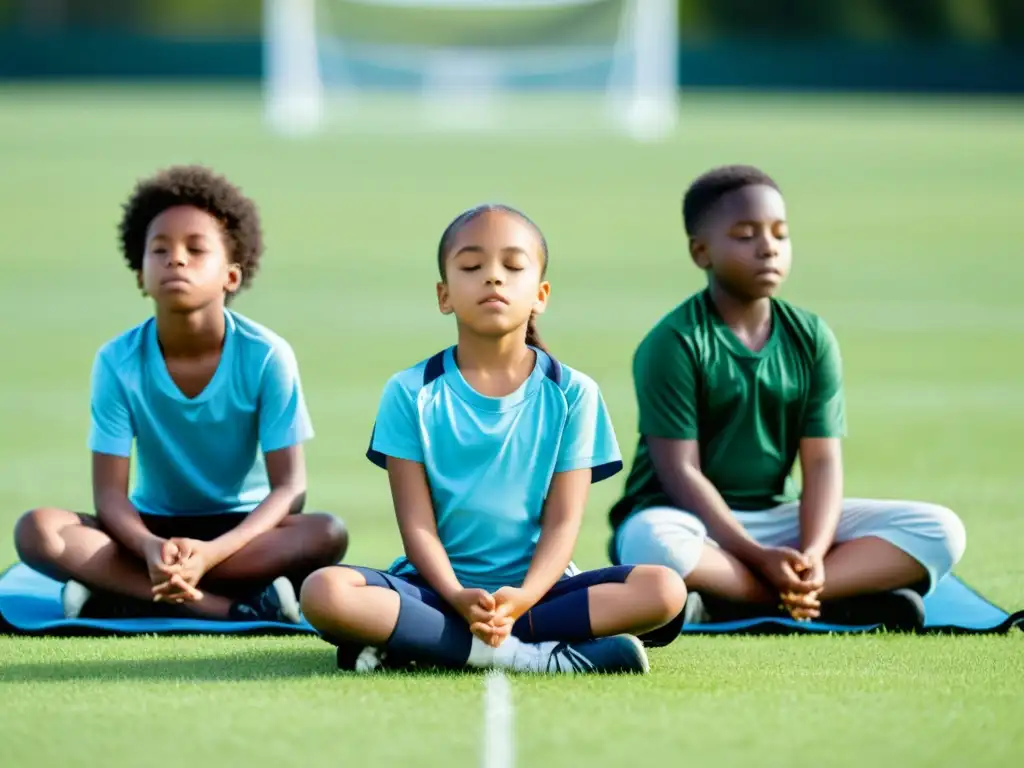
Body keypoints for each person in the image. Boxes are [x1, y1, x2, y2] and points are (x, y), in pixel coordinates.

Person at [299, 204, 686, 673]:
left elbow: (564, 523)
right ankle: (529, 656)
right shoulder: (409, 392)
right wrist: (458, 595)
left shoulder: (574, 393)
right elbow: (417, 524)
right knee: (323, 592)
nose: (493, 278)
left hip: (541, 593)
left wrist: (522, 598)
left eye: (513, 265)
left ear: (540, 294)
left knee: (665, 591)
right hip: (434, 591)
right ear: (444, 295)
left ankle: (420, 644)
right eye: (472, 266)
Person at [609, 165, 966, 631]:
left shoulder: (811, 337)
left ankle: (745, 598)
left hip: (779, 521)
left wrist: (814, 553)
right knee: (651, 545)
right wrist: (759, 556)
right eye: (744, 234)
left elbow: (821, 463)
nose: (767, 247)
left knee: (940, 531)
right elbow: (681, 471)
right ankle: (818, 598)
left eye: (780, 233)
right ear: (702, 252)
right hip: (688, 518)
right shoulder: (674, 342)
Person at [13, 165, 348, 623]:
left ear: (232, 275)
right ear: (140, 275)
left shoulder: (268, 356)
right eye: (160, 249)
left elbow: (290, 488)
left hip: (241, 535)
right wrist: (151, 546)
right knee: (38, 531)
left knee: (326, 533)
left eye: (196, 249)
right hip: (147, 531)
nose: (176, 259)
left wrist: (210, 553)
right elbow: (109, 497)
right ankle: (228, 607)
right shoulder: (117, 361)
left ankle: (123, 591)